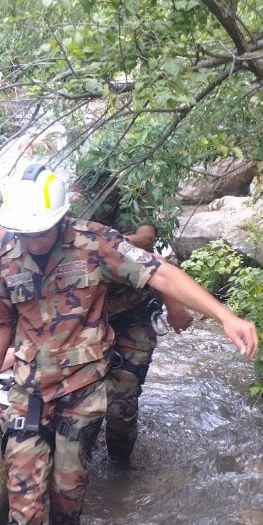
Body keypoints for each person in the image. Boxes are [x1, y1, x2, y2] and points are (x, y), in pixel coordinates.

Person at [0, 165, 259, 525]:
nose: (31, 240)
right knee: (23, 491)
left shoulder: (96, 243)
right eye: (25, 231)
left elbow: (160, 272)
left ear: (58, 219)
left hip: (82, 389)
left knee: (68, 488)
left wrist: (224, 315)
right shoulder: (9, 256)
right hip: (29, 391)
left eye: (40, 231)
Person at [95, 198, 194, 464]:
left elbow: (154, 255)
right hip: (88, 326)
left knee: (120, 405)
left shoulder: (131, 200)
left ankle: (119, 466)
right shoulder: (60, 234)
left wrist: (176, 310)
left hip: (131, 321)